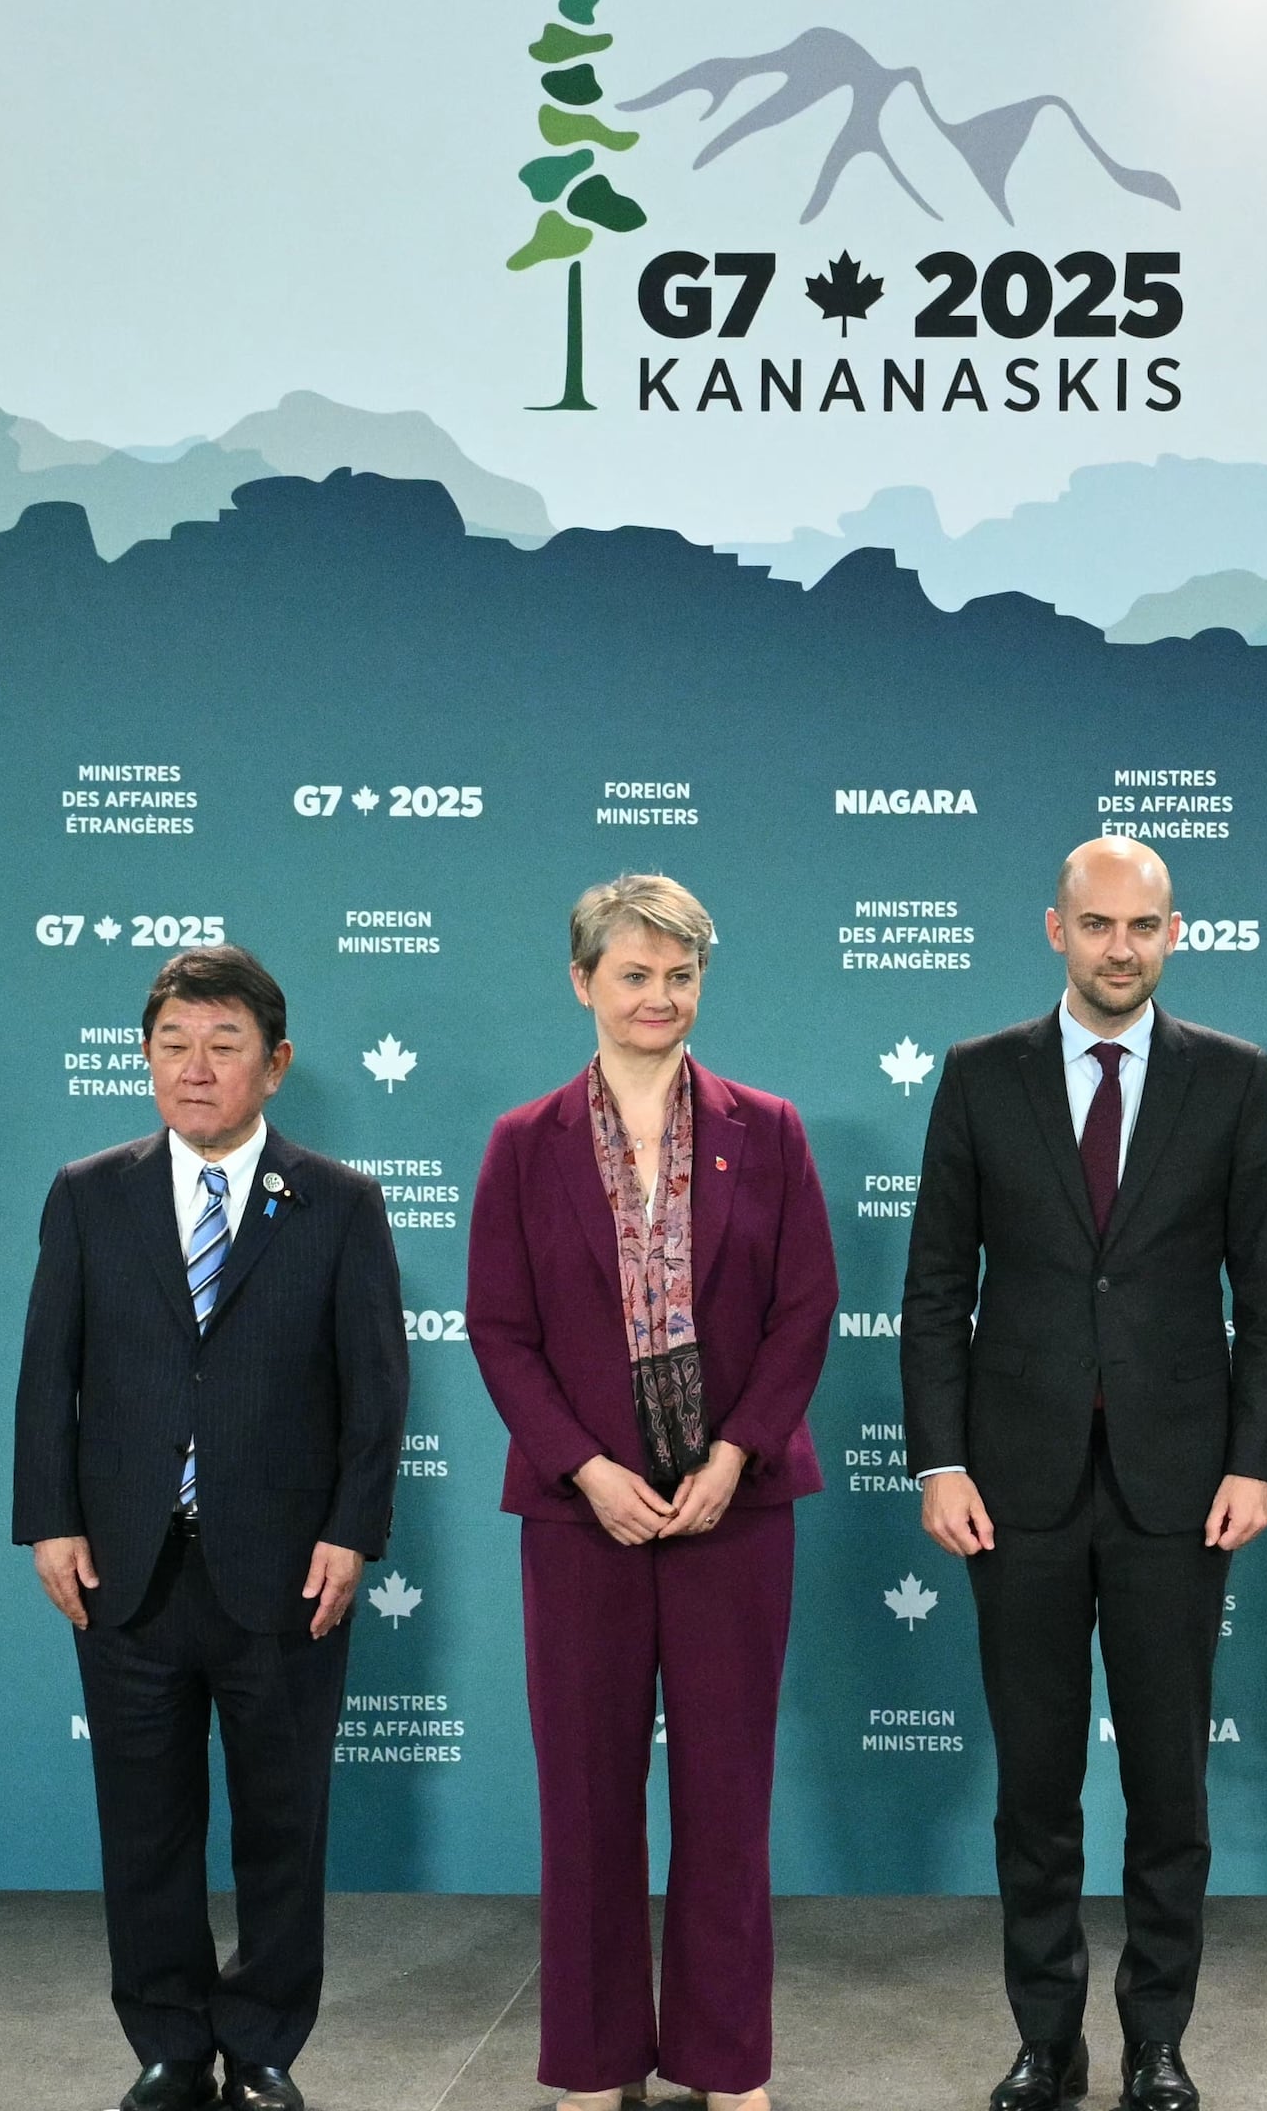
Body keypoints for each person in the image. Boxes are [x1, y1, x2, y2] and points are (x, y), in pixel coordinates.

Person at [902, 836, 1267, 2111]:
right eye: (1097, 924)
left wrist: (1257, 1463)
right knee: (1034, 1780)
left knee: (1171, 1784)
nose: (1120, 946)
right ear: (1054, 929)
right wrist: (940, 1458)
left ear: (1174, 934)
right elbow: (931, 1291)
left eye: (1144, 926)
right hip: (1011, 1486)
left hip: (1180, 1488)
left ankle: (1159, 2041)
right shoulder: (978, 1076)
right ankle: (1046, 2037)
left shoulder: (1232, 1080)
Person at [13, 947, 410, 2111]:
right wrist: (49, 1522)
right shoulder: (90, 1192)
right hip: (126, 1567)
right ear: (144, 1059)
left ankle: (267, 2038)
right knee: (144, 1824)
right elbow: (51, 1377)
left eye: (224, 1045)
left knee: (284, 1822)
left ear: (274, 1065)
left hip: (287, 1572)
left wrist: (353, 1532)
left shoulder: (338, 1202)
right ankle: (171, 2042)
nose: (196, 1068)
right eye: (174, 1045)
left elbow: (376, 1390)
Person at [467, 875, 835, 2111]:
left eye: (679, 976)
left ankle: (729, 2065)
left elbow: (804, 1309)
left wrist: (736, 1456)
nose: (658, 998)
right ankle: (591, 2062)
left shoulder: (767, 1127)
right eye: (633, 975)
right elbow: (499, 1330)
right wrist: (585, 1466)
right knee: (585, 1800)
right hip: (585, 1519)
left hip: (738, 1508)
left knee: (729, 1796)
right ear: (583, 983)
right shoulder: (524, 1143)